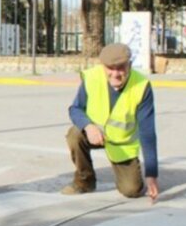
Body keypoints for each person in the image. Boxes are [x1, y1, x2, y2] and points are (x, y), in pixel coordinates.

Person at [62, 43, 160, 202]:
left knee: (131, 190)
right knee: (74, 134)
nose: (115, 73)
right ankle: (85, 181)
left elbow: (148, 132)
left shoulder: (142, 86)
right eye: (110, 68)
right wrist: (88, 126)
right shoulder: (92, 78)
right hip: (96, 135)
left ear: (129, 65)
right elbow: (75, 109)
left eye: (121, 67)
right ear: (103, 66)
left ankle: (126, 176)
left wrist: (152, 174)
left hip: (122, 144)